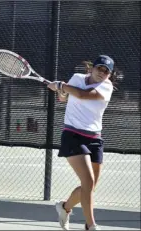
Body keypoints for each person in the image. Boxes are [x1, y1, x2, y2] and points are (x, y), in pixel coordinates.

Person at [47, 55, 120, 230]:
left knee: (90, 186)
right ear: (91, 68)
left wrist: (61, 86)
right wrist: (61, 90)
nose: (102, 73)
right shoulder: (77, 78)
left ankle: (64, 207)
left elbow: (82, 94)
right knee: (87, 181)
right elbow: (63, 98)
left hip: (95, 138)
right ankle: (91, 225)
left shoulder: (106, 87)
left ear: (109, 75)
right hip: (72, 135)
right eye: (100, 68)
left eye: (106, 71)